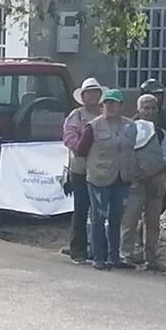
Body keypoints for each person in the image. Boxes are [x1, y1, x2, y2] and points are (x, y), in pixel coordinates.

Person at [84, 90, 138, 268]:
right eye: (107, 103)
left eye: (114, 103)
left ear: (122, 106)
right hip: (99, 177)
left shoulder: (131, 126)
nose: (110, 106)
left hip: (122, 177)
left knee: (117, 218)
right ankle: (98, 257)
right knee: (99, 217)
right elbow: (81, 149)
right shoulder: (93, 126)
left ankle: (114, 256)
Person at [122, 92, 166, 268]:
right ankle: (125, 255)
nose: (149, 111)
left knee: (153, 224)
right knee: (129, 221)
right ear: (138, 109)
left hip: (156, 183)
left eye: (153, 108)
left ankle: (151, 258)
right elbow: (125, 155)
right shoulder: (129, 130)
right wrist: (137, 175)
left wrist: (150, 175)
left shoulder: (161, 133)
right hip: (134, 183)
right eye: (146, 108)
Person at [62, 79, 103, 262]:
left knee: (100, 212)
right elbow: (68, 138)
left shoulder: (105, 114)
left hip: (103, 168)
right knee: (81, 210)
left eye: (96, 92)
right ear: (83, 96)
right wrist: (81, 147)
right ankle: (77, 250)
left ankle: (98, 249)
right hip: (80, 169)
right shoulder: (76, 116)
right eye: (89, 92)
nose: (93, 95)